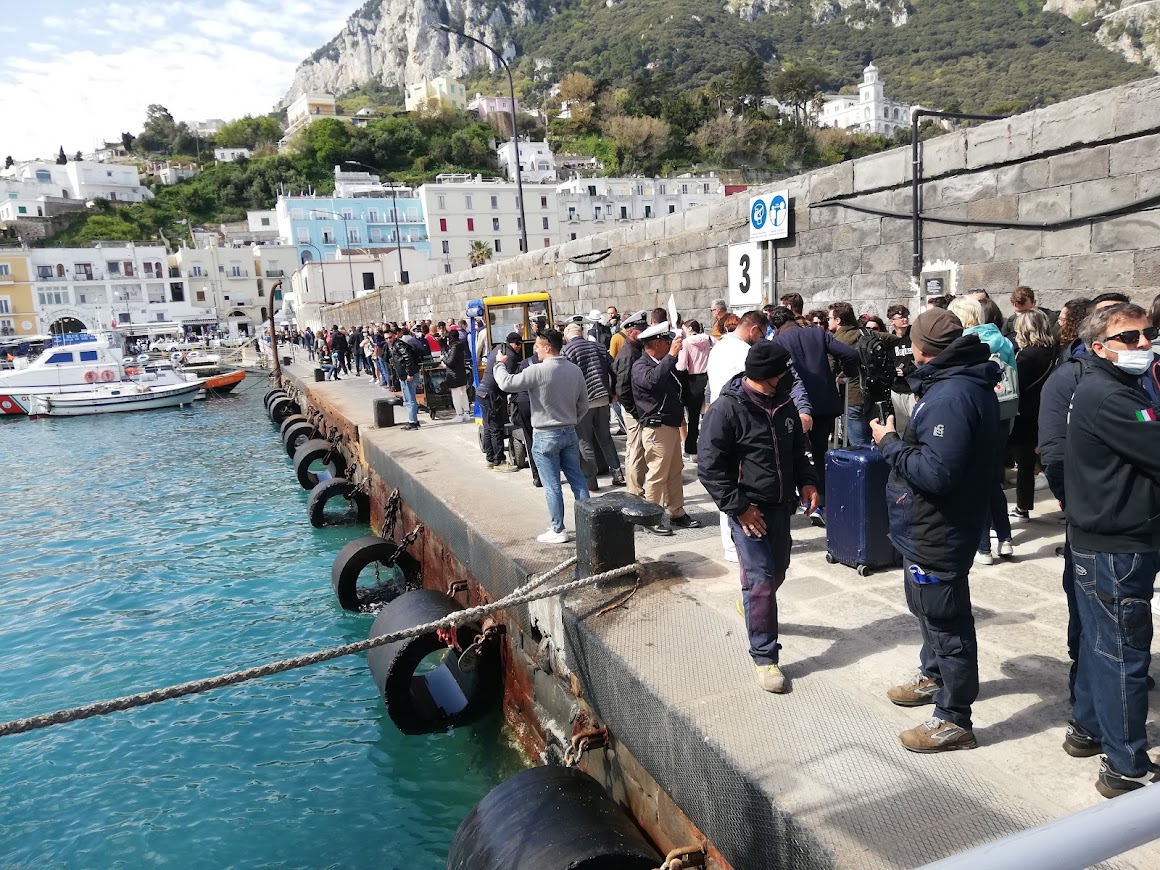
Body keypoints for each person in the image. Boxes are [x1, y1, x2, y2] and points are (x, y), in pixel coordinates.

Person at [872, 307, 1002, 753]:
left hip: (940, 528)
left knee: (946, 620)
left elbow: (937, 474)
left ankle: (954, 718)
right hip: (925, 525)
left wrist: (888, 443)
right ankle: (933, 675)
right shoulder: (952, 384)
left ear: (920, 349)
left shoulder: (952, 395)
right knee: (925, 608)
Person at [1064, 303, 1160, 797]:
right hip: (1117, 547)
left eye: (1147, 334)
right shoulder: (1113, 396)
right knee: (1123, 651)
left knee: (1100, 644)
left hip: (1104, 538)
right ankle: (1126, 766)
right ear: (1099, 347)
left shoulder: (1114, 386)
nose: (1143, 344)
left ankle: (1087, 728)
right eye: (1129, 338)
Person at [698, 342, 819, 693]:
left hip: (782, 508)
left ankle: (752, 601)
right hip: (748, 512)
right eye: (785, 374)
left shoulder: (785, 406)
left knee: (776, 572)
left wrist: (809, 482)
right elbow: (710, 467)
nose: (791, 380)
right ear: (769, 377)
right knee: (763, 581)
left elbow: (798, 451)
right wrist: (739, 506)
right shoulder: (725, 410)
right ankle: (765, 657)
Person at [1037, 291, 1132, 707]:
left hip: (1135, 525)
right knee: (1091, 619)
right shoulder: (1070, 377)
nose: (1138, 343)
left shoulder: (1136, 376)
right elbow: (1054, 453)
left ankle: (1113, 693)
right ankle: (1087, 708)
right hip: (1092, 523)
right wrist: (1077, 505)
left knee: (1123, 623)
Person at [493, 329, 590, 544]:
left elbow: (507, 383)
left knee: (553, 485)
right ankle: (589, 526)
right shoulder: (575, 370)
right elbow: (584, 404)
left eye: (537, 346)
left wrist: (499, 364)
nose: (535, 350)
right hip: (569, 431)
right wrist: (571, 419)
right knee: (578, 481)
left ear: (547, 347)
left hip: (546, 434)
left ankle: (558, 529)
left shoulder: (537, 370)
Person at [772, 308, 860, 522]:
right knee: (821, 451)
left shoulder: (778, 342)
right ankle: (821, 499)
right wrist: (846, 372)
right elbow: (850, 354)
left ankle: (800, 497)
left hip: (793, 405)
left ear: (775, 326)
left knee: (794, 451)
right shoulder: (817, 333)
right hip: (823, 401)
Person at [948, 295, 1016, 565]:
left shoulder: (965, 343)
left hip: (976, 412)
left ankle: (984, 546)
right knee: (991, 479)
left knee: (977, 479)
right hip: (1003, 413)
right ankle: (1006, 538)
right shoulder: (1004, 340)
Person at [631, 321, 702, 535]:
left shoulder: (661, 363)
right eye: (667, 342)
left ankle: (676, 511)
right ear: (658, 343)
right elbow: (652, 382)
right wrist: (671, 356)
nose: (671, 345)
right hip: (656, 426)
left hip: (670, 424)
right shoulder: (641, 365)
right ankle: (651, 516)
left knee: (674, 472)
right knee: (657, 473)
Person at [562, 322, 625, 489]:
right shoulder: (598, 347)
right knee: (605, 438)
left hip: (583, 402)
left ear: (567, 336)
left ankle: (591, 480)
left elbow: (565, 377)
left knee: (585, 441)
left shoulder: (567, 350)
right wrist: (613, 392)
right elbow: (614, 369)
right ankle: (617, 473)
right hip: (603, 398)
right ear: (581, 333)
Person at [1008, 310, 1057, 522]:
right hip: (1048, 410)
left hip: (1026, 413)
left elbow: (1017, 385)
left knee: (1025, 464)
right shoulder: (1054, 350)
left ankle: (1022, 507)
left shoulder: (1027, 355)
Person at [613, 311, 649, 496]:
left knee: (638, 448)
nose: (644, 333)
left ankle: (637, 485)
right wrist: (634, 411)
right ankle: (635, 489)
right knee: (635, 448)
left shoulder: (634, 350)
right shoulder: (629, 354)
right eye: (641, 330)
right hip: (634, 409)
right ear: (632, 332)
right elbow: (623, 388)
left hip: (637, 407)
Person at [477, 332, 524, 471]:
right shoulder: (509, 355)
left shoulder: (498, 349)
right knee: (496, 427)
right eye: (519, 346)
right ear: (516, 344)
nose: (520, 349)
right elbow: (509, 381)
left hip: (483, 392)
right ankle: (500, 462)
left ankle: (490, 459)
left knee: (488, 426)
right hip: (492, 395)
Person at [827, 302, 870, 447]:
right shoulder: (866, 333)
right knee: (870, 441)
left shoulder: (835, 341)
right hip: (871, 393)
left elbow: (831, 369)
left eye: (829, 318)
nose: (828, 321)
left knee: (857, 444)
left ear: (838, 320)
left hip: (851, 396)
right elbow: (893, 339)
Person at [676, 320, 712, 456]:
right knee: (708, 414)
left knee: (693, 417)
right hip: (708, 377)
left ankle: (691, 448)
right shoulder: (709, 339)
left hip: (693, 380)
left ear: (690, 329)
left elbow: (682, 365)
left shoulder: (686, 342)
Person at [387, 329, 422, 430]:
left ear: (395, 335)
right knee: (408, 398)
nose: (389, 340)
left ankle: (413, 422)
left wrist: (409, 373)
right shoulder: (394, 346)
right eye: (387, 338)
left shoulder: (399, 345)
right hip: (403, 375)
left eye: (390, 337)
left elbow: (408, 358)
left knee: (410, 399)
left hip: (407, 376)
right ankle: (413, 420)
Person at [444, 329, 471, 422]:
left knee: (456, 395)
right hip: (461, 373)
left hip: (454, 375)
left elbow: (450, 362)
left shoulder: (455, 348)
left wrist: (443, 358)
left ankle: (459, 414)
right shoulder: (461, 346)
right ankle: (466, 413)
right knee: (463, 393)